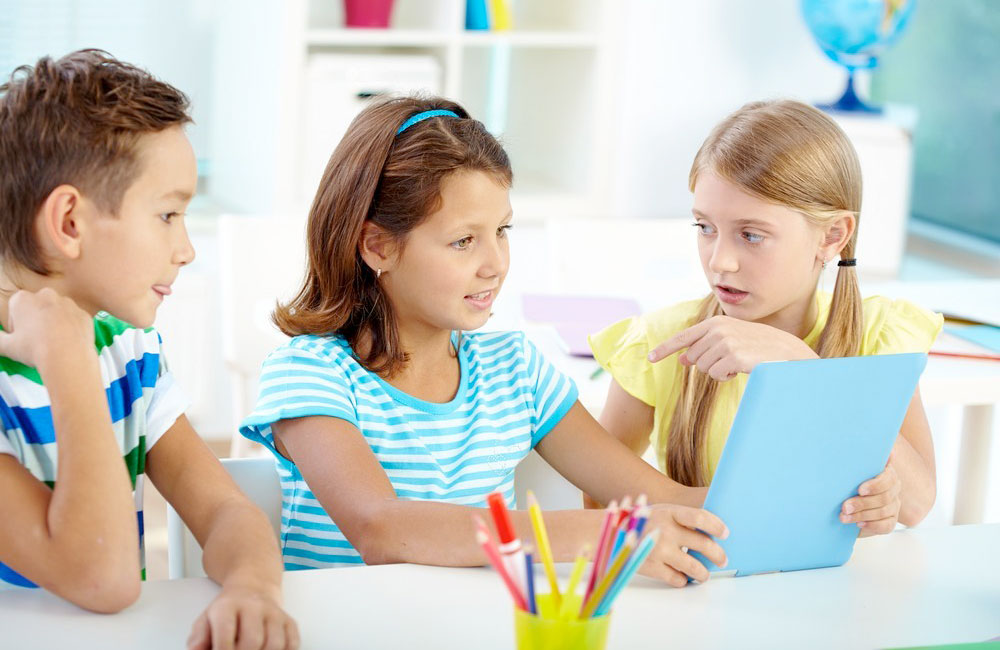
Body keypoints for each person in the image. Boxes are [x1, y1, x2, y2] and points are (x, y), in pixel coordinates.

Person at [240, 96, 728, 588]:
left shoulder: (515, 371)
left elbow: (661, 497)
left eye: (502, 231)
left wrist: (799, 375)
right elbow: (380, 527)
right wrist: (608, 534)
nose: (494, 263)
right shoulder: (309, 372)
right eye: (463, 241)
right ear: (377, 246)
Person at [0, 50, 299, 649]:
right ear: (70, 223)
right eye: (167, 214)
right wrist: (67, 360)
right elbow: (102, 577)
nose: (186, 249)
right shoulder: (71, 362)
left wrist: (252, 587)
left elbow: (224, 512)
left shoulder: (127, 349)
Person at [588, 99, 940, 535]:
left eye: (751, 235)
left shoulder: (879, 337)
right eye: (705, 228)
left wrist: (802, 366)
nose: (721, 262)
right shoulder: (663, 342)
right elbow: (596, 497)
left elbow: (918, 502)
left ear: (832, 236)